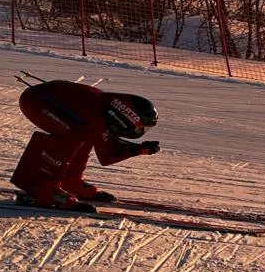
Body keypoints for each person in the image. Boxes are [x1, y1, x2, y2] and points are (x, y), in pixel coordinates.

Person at [10, 79, 160, 211]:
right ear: (129, 118)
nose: (140, 131)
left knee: (83, 135)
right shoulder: (97, 118)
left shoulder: (105, 109)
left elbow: (105, 142)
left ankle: (70, 182)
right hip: (37, 101)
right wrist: (138, 150)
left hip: (42, 96)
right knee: (74, 136)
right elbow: (107, 155)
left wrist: (139, 149)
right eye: (141, 127)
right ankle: (44, 189)